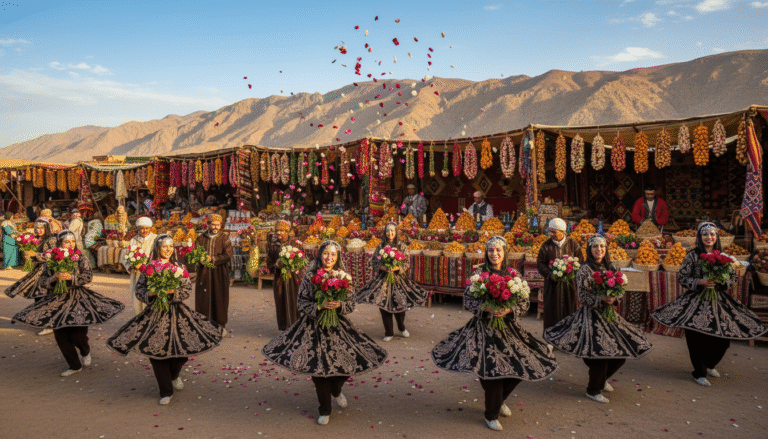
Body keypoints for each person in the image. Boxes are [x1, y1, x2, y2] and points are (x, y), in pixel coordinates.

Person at [431, 236, 558, 431]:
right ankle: (491, 414)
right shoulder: (479, 273)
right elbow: (468, 301)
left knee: (520, 366)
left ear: (505, 252)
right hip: (483, 329)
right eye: (491, 250)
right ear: (486, 252)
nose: (494, 254)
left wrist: (509, 309)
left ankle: (500, 400)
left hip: (509, 329)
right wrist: (486, 308)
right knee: (491, 371)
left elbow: (524, 302)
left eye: (498, 250)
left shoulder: (514, 274)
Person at [262, 240, 388, 426]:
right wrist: (319, 306)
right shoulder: (310, 275)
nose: (329, 257)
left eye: (333, 254)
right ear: (320, 254)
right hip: (312, 328)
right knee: (319, 370)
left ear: (338, 257)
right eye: (326, 253)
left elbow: (351, 303)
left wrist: (340, 305)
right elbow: (301, 303)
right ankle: (325, 409)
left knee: (351, 360)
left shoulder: (344, 276)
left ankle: (336, 389)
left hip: (338, 327)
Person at [107, 234, 223, 405]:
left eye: (170, 246)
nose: (168, 249)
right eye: (164, 246)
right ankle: (166, 391)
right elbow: (139, 291)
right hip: (154, 314)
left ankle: (174, 376)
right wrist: (152, 293)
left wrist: (172, 293)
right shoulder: (149, 267)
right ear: (157, 248)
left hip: (177, 313)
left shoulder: (179, 267)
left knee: (182, 352)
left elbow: (186, 289)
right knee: (156, 353)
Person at [651, 222, 768, 386]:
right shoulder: (692, 256)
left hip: (717, 300)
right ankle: (699, 372)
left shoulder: (723, 256)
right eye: (705, 234)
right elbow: (683, 277)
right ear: (700, 237)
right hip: (695, 301)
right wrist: (700, 281)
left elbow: (733, 277)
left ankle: (710, 364)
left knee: (723, 339)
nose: (709, 237)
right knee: (696, 339)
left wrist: (720, 282)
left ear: (716, 237)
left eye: (712, 234)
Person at [544, 235, 653, 404]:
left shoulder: (611, 266)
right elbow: (582, 295)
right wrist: (601, 298)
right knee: (599, 354)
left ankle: (601, 379)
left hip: (609, 316)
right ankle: (593, 390)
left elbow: (620, 288)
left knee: (621, 353)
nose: (599, 249)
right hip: (590, 316)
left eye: (602, 246)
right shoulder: (584, 269)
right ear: (590, 249)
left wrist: (614, 298)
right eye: (595, 246)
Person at [12, 230, 124, 377]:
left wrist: (71, 277)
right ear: (60, 243)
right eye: (66, 242)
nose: (70, 244)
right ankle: (74, 365)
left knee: (78, 336)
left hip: (78, 299)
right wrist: (53, 278)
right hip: (56, 300)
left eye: (72, 241)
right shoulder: (51, 258)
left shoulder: (80, 257)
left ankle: (85, 350)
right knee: (61, 337)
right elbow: (42, 281)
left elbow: (88, 276)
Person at [355, 222, 428, 341]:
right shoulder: (381, 246)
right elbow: (374, 262)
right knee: (384, 305)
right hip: (383, 280)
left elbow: (406, 262)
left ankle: (401, 327)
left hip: (398, 280)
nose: (390, 233)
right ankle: (388, 332)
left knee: (400, 304)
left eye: (392, 230)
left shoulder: (401, 246)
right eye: (388, 230)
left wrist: (396, 268)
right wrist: (383, 268)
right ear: (385, 232)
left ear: (396, 232)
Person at [5, 217, 59, 336]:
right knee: (38, 297)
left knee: (46, 298)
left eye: (41, 228)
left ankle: (50, 324)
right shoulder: (37, 240)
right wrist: (29, 257)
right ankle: (43, 321)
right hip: (38, 273)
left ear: (46, 228)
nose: (38, 230)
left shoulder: (52, 240)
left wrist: (36, 255)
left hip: (49, 274)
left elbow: (54, 255)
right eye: (36, 228)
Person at [537, 218, 584, 332]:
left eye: (554, 232)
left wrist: (572, 273)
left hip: (570, 286)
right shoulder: (546, 245)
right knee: (552, 310)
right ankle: (551, 335)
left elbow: (581, 262)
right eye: (550, 231)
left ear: (562, 232)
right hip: (552, 286)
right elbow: (540, 264)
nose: (550, 234)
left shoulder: (573, 244)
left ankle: (569, 334)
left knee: (569, 308)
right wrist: (550, 275)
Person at [194, 214, 233, 332]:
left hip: (219, 273)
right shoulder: (201, 238)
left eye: (218, 225)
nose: (215, 227)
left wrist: (213, 259)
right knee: (203, 299)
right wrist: (200, 258)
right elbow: (196, 252)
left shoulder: (224, 238)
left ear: (221, 225)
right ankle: (203, 326)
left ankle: (220, 326)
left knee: (219, 298)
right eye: (213, 224)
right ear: (208, 225)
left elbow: (228, 255)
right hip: (204, 273)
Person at [266, 219, 302, 330]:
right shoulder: (273, 245)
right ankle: (284, 328)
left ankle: (296, 327)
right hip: (279, 280)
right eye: (277, 230)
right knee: (281, 303)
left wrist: (295, 267)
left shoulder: (296, 243)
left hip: (294, 279)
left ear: (287, 231)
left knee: (294, 302)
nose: (278, 233)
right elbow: (269, 262)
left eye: (281, 230)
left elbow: (303, 259)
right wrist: (276, 266)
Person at [121, 217, 157, 316]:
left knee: (150, 295)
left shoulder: (156, 239)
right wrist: (131, 265)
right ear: (138, 229)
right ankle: (139, 316)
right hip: (136, 274)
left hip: (151, 274)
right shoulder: (133, 240)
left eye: (147, 228)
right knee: (137, 296)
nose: (144, 231)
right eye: (141, 228)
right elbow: (125, 256)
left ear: (150, 228)